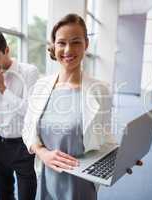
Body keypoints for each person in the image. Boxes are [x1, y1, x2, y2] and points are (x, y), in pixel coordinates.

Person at [22, 13, 117, 200]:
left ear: (86, 45)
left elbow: (104, 136)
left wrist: (123, 157)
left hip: (81, 182)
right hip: (48, 178)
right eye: (61, 43)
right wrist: (42, 153)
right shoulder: (41, 86)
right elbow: (27, 130)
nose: (68, 50)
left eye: (76, 42)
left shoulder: (100, 90)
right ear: (53, 46)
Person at [0, 30, 39, 200]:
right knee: (4, 195)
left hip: (23, 144)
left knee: (26, 195)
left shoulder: (29, 72)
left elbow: (31, 112)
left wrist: (3, 90)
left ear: (7, 50)